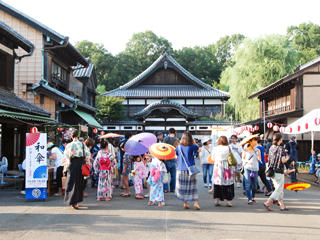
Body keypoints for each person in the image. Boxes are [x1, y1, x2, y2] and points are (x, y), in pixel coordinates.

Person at [62, 129, 91, 209]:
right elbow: (87, 155)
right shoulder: (82, 144)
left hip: (72, 163)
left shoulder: (69, 145)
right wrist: (87, 163)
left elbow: (66, 157)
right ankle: (76, 202)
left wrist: (65, 167)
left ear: (71, 136)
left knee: (71, 182)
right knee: (78, 183)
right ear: (78, 136)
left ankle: (71, 201)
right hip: (80, 164)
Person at [263, 133, 290, 211]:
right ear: (280, 139)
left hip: (272, 171)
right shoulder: (281, 148)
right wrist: (287, 158)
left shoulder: (271, 147)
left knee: (278, 189)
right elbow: (283, 160)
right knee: (279, 189)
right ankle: (268, 202)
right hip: (279, 170)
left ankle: (282, 205)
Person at [175, 131, 201, 210]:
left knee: (183, 187)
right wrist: (194, 142)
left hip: (180, 169)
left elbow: (176, 155)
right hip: (190, 170)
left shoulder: (178, 147)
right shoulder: (193, 146)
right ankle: (196, 203)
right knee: (193, 187)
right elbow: (200, 150)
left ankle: (185, 203)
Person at [211, 136, 235, 207]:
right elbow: (232, 157)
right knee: (228, 183)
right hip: (227, 166)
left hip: (218, 166)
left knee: (217, 183)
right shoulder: (229, 148)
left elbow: (212, 158)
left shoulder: (215, 148)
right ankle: (228, 201)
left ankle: (217, 200)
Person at [241, 134, 261, 205]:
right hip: (247, 168)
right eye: (254, 141)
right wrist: (248, 161)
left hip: (255, 168)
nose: (255, 142)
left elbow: (260, 159)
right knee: (248, 183)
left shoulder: (258, 150)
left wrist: (259, 159)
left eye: (256, 141)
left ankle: (253, 197)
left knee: (255, 185)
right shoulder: (245, 150)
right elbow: (242, 159)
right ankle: (249, 199)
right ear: (250, 142)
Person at [163, 127, 179, 192]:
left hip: (166, 158)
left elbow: (163, 147)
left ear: (169, 132)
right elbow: (177, 149)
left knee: (165, 174)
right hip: (173, 157)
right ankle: (173, 188)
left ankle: (166, 189)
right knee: (173, 175)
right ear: (175, 133)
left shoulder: (166, 138)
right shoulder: (177, 139)